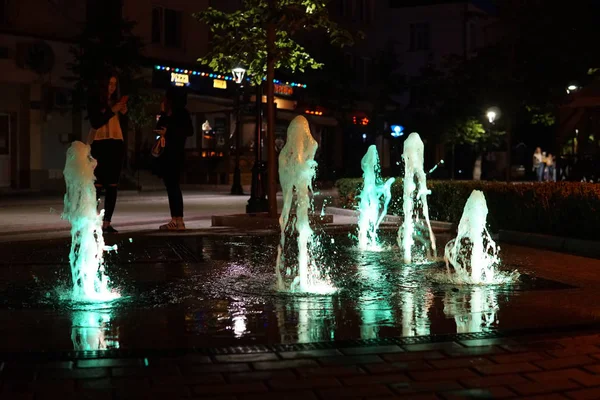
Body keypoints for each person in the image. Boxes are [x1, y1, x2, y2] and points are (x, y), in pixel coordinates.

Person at [86, 72, 127, 233]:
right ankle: (92, 221)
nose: (112, 87)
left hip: (115, 142)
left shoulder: (115, 101)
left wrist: (122, 110)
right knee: (97, 185)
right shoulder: (95, 100)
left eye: (114, 84)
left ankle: (107, 223)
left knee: (112, 185)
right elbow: (96, 122)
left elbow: (119, 122)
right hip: (99, 143)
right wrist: (112, 110)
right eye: (109, 83)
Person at [155, 87, 193, 230]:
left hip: (175, 153)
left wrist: (169, 131)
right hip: (167, 153)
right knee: (171, 186)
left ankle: (178, 219)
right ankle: (177, 219)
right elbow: (159, 127)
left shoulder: (181, 113)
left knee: (173, 186)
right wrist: (163, 113)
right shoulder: (167, 114)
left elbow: (189, 131)